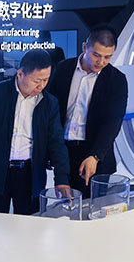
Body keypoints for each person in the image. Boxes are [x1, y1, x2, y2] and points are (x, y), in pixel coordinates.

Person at [0, 49, 71, 214]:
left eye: (46, 80)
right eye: (36, 80)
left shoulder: (49, 103)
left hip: (30, 174)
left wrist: (62, 178)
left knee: (30, 222)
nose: (41, 86)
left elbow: (56, 143)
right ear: (20, 74)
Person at [46, 24, 128, 198]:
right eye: (96, 55)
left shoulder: (117, 80)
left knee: (93, 206)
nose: (101, 62)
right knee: (66, 205)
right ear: (84, 47)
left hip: (95, 155)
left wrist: (95, 156)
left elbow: (113, 121)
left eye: (108, 57)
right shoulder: (62, 69)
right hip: (64, 152)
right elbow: (50, 112)